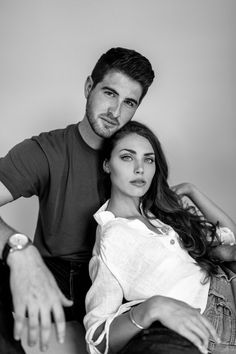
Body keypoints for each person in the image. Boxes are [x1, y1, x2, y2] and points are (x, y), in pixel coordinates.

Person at [0, 48, 155, 353]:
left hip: (117, 280)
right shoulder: (45, 151)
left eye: (129, 103)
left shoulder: (139, 157)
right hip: (51, 275)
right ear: (88, 87)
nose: (116, 111)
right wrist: (19, 250)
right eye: (109, 93)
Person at [84, 120, 236, 354]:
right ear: (107, 164)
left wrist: (190, 189)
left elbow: (231, 238)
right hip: (210, 326)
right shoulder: (110, 238)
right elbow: (97, 338)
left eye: (148, 159)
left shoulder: (160, 215)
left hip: (227, 286)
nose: (140, 169)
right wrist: (153, 307)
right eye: (127, 157)